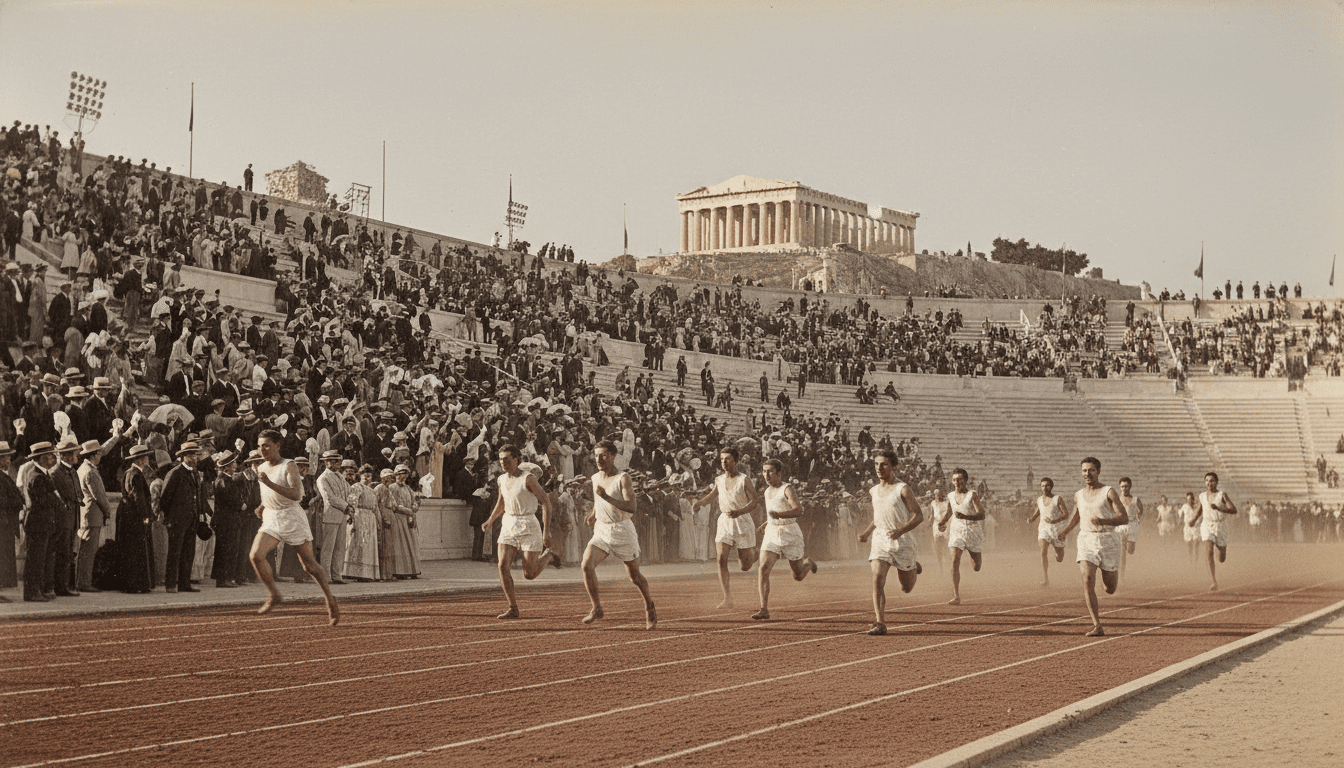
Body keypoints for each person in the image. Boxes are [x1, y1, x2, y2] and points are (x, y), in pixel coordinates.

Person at [248, 429, 340, 624]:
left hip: (292, 516)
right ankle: (274, 595)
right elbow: (269, 492)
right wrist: (262, 505)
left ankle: (330, 599)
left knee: (309, 566)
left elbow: (297, 495)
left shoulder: (288, 465)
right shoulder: (262, 467)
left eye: (266, 445)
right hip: (272, 517)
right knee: (256, 555)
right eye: (259, 446)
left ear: (277, 446)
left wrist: (270, 484)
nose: (262, 449)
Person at [579, 439, 657, 629]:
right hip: (602, 529)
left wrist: (607, 497)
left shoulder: (623, 478)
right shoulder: (595, 477)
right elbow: (598, 502)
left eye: (604, 455)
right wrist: (593, 514)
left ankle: (649, 606)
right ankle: (597, 608)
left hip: (622, 529)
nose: (599, 459)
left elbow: (631, 507)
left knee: (634, 577)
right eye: (596, 455)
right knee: (586, 566)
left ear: (613, 456)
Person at [478, 444, 559, 619]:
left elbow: (545, 502)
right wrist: (490, 520)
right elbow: (501, 503)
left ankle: (549, 556)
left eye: (507, 459)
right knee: (502, 565)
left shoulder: (528, 479)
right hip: (509, 522)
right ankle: (512, 607)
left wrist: (547, 531)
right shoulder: (501, 479)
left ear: (516, 459)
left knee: (529, 574)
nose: (503, 463)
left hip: (528, 523)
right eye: (501, 459)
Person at [1059, 456, 1128, 637]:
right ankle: (1097, 625)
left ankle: (1111, 576)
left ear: (1098, 471)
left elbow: (1124, 517)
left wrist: (1104, 520)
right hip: (1086, 539)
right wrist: (1065, 532)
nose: (1087, 474)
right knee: (1088, 579)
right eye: (1084, 470)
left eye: (1091, 470)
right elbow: (1076, 516)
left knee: (1110, 588)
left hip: (1108, 540)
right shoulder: (1079, 494)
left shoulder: (1109, 492)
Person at [857, 449, 923, 636]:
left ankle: (913, 567)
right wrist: (867, 533)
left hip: (902, 541)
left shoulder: (902, 489)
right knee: (877, 577)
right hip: (881, 540)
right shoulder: (874, 490)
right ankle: (880, 622)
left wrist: (901, 530)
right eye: (877, 464)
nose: (879, 468)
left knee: (906, 587)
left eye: (884, 464)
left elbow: (919, 516)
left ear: (894, 466)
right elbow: (878, 517)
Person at [692, 446, 759, 609]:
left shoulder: (744, 479)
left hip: (742, 521)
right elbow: (714, 494)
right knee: (721, 559)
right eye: (722, 459)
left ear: (735, 461)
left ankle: (754, 554)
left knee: (745, 566)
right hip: (724, 522)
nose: (724, 462)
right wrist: (700, 502)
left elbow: (755, 501)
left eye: (728, 458)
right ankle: (727, 598)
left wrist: (739, 511)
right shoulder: (719, 479)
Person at [750, 458, 817, 620]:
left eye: (770, 471)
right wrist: (766, 523)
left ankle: (808, 564)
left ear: (779, 474)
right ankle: (763, 608)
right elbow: (773, 512)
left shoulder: (787, 489)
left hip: (790, 532)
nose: (766, 474)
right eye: (764, 471)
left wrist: (778, 516)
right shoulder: (766, 491)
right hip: (772, 532)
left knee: (798, 575)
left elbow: (798, 510)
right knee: (763, 568)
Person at [937, 468, 986, 606]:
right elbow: (950, 511)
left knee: (977, 566)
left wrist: (965, 516)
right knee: (954, 561)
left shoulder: (972, 495)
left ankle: (972, 555)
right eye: (954, 480)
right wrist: (943, 521)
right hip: (957, 531)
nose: (957, 482)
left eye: (959, 479)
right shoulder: (951, 495)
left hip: (973, 531)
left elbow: (982, 514)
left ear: (965, 480)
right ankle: (956, 595)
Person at [1189, 471, 1238, 591]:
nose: (1209, 483)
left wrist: (1219, 508)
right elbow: (1200, 510)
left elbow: (1233, 509)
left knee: (1221, 558)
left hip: (1220, 526)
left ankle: (1220, 550)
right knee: (1208, 550)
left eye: (1211, 480)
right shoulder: (1202, 496)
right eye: (1207, 480)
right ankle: (1214, 581)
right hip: (1207, 525)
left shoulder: (1222, 495)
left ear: (1216, 482)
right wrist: (1194, 520)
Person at [1026, 477, 1070, 587]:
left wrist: (1055, 520)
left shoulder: (1057, 499)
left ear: (1051, 486)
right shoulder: (1039, 499)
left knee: (1060, 558)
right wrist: (1032, 518)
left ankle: (1058, 553)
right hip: (1044, 529)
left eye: (1047, 485)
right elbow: (1039, 511)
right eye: (1042, 486)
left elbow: (1066, 514)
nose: (1045, 488)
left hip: (1056, 529)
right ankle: (1045, 579)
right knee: (1043, 551)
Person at [316, 450, 351, 584]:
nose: (337, 464)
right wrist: (346, 506)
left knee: (340, 547)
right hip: (330, 515)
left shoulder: (340, 477)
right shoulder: (323, 478)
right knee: (328, 547)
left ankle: (337, 575)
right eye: (334, 461)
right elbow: (329, 497)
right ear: (326, 462)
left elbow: (348, 491)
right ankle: (325, 576)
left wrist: (350, 506)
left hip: (342, 515)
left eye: (338, 462)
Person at [343, 463, 380, 581]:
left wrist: (378, 520)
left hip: (370, 519)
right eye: (365, 476)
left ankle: (366, 573)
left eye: (369, 476)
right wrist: (352, 517)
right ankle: (353, 572)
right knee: (359, 542)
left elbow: (375, 507)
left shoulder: (371, 490)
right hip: (359, 516)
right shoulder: (357, 487)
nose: (367, 478)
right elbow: (352, 502)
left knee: (368, 545)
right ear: (360, 476)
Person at [1115, 476, 1143, 578]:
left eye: (1126, 486)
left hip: (1132, 525)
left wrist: (1138, 518)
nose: (1124, 489)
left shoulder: (1135, 499)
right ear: (1120, 487)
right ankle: (1121, 576)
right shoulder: (1117, 499)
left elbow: (1141, 509)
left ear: (1130, 486)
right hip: (1121, 526)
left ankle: (1126, 547)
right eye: (1122, 487)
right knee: (1122, 553)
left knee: (1130, 551)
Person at [928, 487, 949, 571]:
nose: (937, 496)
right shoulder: (933, 503)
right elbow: (932, 514)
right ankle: (940, 566)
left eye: (939, 494)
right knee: (938, 546)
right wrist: (930, 521)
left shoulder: (946, 502)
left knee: (948, 544)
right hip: (936, 526)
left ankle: (949, 561)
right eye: (936, 494)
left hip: (945, 525)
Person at [1180, 491, 1200, 562]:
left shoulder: (1197, 506)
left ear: (1193, 499)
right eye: (1188, 499)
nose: (1189, 501)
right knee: (1189, 546)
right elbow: (1180, 515)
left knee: (1196, 546)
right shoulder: (1184, 506)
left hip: (1195, 527)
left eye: (1190, 499)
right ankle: (1190, 561)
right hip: (1187, 528)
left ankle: (1195, 562)